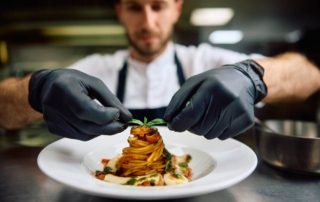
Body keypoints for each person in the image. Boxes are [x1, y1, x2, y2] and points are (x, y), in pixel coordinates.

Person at [0, 0, 319, 141]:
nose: (148, 22)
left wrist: (253, 77)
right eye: (135, 8)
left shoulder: (205, 59)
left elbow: (310, 74)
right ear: (119, 12)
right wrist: (37, 90)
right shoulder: (96, 69)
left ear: (177, 8)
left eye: (158, 6)